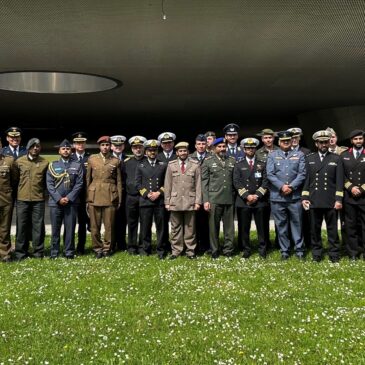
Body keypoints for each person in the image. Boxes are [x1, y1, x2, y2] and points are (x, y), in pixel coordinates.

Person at [301, 130, 344, 262]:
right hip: (314, 200)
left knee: (332, 230)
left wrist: (338, 199)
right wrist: (304, 198)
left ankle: (334, 254)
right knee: (315, 230)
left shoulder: (336, 158)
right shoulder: (309, 159)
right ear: (316, 144)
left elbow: (339, 181)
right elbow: (306, 181)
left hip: (330, 200)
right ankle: (317, 254)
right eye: (321, 142)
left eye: (326, 142)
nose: (324, 144)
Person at [266, 131, 306, 260]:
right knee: (281, 225)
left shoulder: (299, 155)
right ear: (279, 142)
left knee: (297, 223)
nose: (286, 143)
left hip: (294, 197)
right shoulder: (272, 155)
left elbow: (302, 174)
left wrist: (291, 187)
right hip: (278, 197)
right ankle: (285, 250)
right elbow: (270, 174)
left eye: (288, 140)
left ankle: (299, 250)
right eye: (283, 141)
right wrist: (282, 186)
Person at [46, 139, 83, 259]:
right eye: (63, 149)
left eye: (68, 149)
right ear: (59, 151)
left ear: (71, 151)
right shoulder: (53, 165)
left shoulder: (77, 165)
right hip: (55, 203)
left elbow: (79, 184)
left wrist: (69, 197)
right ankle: (54, 252)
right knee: (55, 229)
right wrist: (58, 198)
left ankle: (69, 252)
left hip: (71, 203)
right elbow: (49, 185)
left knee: (70, 228)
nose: (66, 150)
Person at [86, 136, 122, 258]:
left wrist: (119, 199)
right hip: (94, 196)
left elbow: (119, 182)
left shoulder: (115, 161)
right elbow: (88, 179)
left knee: (109, 226)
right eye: (103, 145)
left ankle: (107, 248)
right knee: (94, 226)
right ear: (99, 146)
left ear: (110, 146)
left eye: (107, 145)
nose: (105, 147)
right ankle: (97, 248)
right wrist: (87, 198)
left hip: (110, 196)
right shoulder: (92, 159)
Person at [164, 142, 201, 259]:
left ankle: (190, 251)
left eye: (185, 150)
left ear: (188, 152)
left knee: (190, 228)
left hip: (190, 201)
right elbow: (167, 184)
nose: (183, 153)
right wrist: (167, 202)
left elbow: (198, 184)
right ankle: (176, 251)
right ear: (177, 153)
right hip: (175, 201)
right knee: (175, 228)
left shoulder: (195, 165)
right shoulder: (171, 165)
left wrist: (197, 201)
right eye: (180, 151)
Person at [14, 138, 49, 260]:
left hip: (38, 199)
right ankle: (20, 253)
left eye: (37, 146)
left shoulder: (45, 163)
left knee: (38, 226)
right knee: (21, 226)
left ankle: (38, 252)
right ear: (28, 148)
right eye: (33, 146)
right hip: (22, 199)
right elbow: (15, 180)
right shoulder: (19, 162)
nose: (35, 148)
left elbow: (46, 183)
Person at [233, 138, 269, 259]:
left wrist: (257, 196)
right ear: (244, 149)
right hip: (244, 201)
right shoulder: (238, 164)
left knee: (262, 227)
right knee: (244, 227)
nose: (250, 150)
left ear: (255, 149)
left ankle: (262, 249)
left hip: (260, 201)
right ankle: (246, 249)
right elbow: (236, 182)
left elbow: (265, 182)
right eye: (248, 148)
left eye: (252, 148)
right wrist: (247, 196)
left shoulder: (262, 164)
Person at [201, 137, 236, 259]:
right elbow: (204, 182)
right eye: (219, 147)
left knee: (229, 227)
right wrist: (205, 200)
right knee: (213, 227)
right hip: (214, 198)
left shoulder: (232, 160)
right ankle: (214, 250)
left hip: (229, 198)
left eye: (223, 147)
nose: (222, 149)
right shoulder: (208, 161)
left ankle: (228, 250)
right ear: (214, 148)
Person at [135, 139, 168, 259]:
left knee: (161, 227)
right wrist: (147, 194)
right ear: (146, 151)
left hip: (159, 200)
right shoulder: (141, 165)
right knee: (145, 227)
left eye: (154, 150)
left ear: (157, 151)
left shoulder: (163, 165)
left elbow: (167, 183)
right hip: (146, 201)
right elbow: (138, 184)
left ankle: (161, 250)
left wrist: (159, 193)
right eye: (150, 150)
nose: (152, 152)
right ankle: (145, 249)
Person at [341, 129, 365, 260]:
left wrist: (360, 189)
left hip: (364, 196)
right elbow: (341, 175)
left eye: (360, 139)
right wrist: (351, 188)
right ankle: (353, 254)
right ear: (351, 141)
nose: (358, 141)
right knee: (351, 227)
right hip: (349, 197)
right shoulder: (344, 155)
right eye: (356, 139)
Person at [124, 136, 147, 255]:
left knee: (144, 222)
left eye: (140, 147)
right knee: (131, 223)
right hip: (131, 197)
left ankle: (143, 247)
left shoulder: (148, 161)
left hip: (144, 197)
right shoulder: (127, 162)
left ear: (143, 148)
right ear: (132, 149)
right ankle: (132, 247)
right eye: (135, 147)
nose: (138, 149)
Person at [190, 134, 210, 254]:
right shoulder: (190, 157)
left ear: (206, 145)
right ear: (195, 145)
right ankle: (195, 245)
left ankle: (207, 245)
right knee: (194, 222)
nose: (201, 146)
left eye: (203, 144)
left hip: (207, 194)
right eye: (199, 144)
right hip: (193, 194)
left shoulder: (211, 157)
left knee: (207, 222)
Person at [70, 131, 90, 254]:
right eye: (78, 143)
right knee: (70, 223)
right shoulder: (70, 158)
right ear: (74, 145)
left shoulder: (90, 158)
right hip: (72, 195)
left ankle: (81, 247)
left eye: (82, 142)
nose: (80, 145)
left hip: (85, 195)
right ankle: (69, 246)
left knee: (82, 223)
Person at [0, 141, 17, 262]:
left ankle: (5, 253)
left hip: (5, 199)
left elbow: (15, 180)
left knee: (4, 228)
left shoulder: (9, 161)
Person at [111, 135, 127, 251]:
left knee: (123, 220)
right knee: (110, 220)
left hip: (125, 194)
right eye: (115, 145)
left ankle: (121, 244)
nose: (118, 147)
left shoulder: (128, 159)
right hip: (110, 193)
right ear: (111, 146)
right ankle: (111, 244)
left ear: (123, 146)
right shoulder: (108, 159)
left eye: (120, 145)